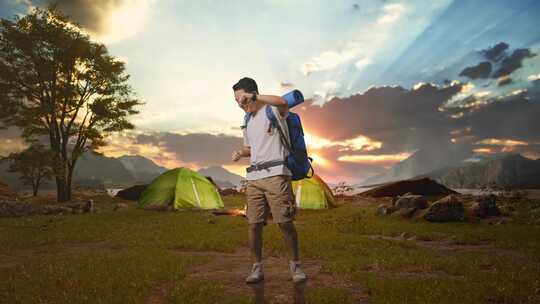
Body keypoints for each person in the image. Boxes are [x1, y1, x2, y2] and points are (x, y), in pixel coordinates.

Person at [231, 77, 307, 284]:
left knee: (285, 223)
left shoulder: (272, 110)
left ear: (253, 94)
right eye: (236, 101)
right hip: (254, 178)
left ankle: (295, 267)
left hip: (276, 176)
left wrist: (256, 98)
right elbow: (251, 148)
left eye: (242, 98)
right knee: (253, 225)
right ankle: (257, 268)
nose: (240, 104)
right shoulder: (247, 121)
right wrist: (240, 153)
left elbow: (284, 103)